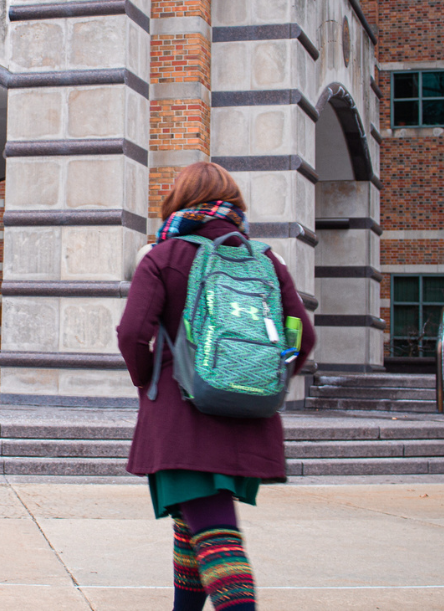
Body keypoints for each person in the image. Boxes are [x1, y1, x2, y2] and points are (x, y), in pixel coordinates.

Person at [116, 162, 315, 611]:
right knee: (193, 529)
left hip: (181, 416)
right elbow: (301, 334)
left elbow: (132, 334)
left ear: (178, 201)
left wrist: (150, 381)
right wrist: (263, 381)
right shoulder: (264, 259)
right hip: (246, 418)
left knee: (217, 540)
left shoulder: (163, 256)